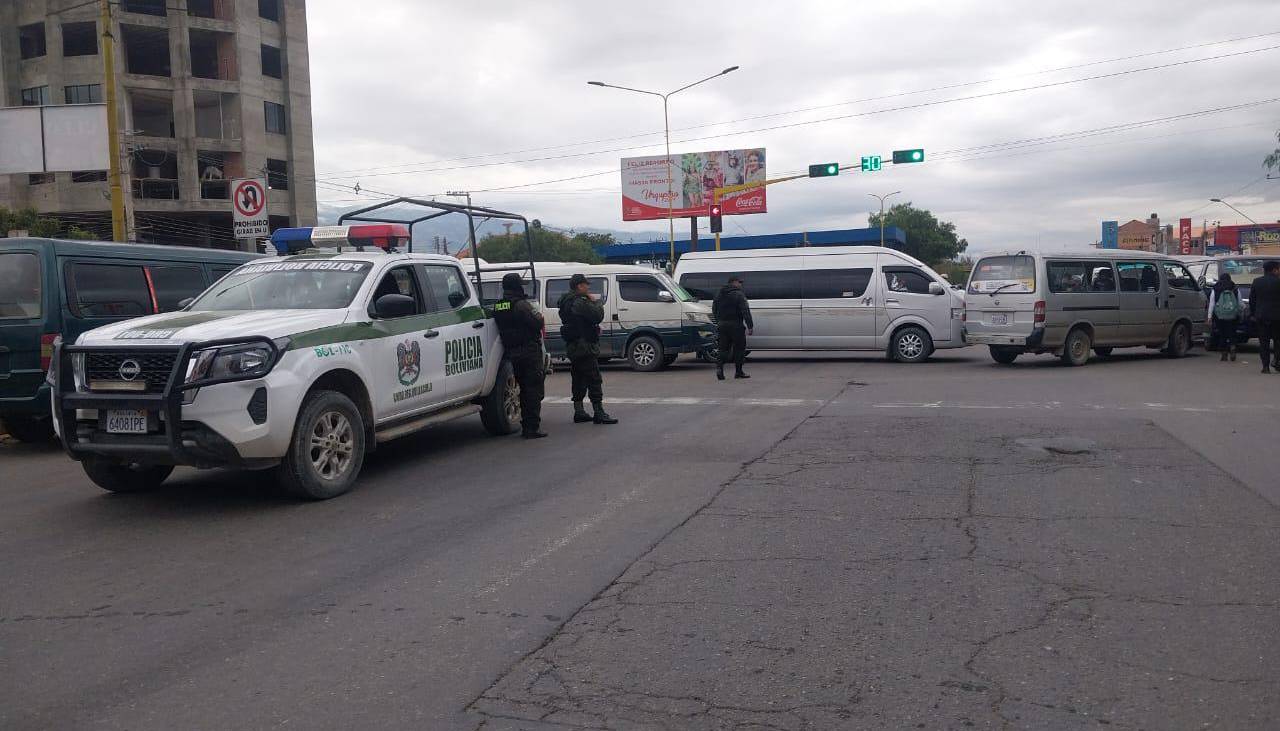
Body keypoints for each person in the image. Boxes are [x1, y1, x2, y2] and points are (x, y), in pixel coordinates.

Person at [558, 274, 618, 424]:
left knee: (578, 377)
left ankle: (579, 411)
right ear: (579, 286)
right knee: (594, 379)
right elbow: (597, 315)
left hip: (574, 345)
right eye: (586, 285)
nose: (588, 287)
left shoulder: (566, 301)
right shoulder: (580, 302)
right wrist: (596, 301)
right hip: (584, 345)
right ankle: (599, 412)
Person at [492, 273, 547, 438]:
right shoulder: (521, 305)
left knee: (523, 389)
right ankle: (532, 428)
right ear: (517, 286)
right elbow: (538, 322)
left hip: (513, 352)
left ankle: (527, 425)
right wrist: (539, 316)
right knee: (533, 391)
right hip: (529, 352)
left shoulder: (499, 306)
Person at [712, 275, 753, 380]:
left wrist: (719, 322)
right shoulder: (739, 295)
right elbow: (745, 311)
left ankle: (719, 369)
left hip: (722, 325)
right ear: (733, 282)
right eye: (739, 282)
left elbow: (714, 310)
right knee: (739, 349)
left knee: (723, 349)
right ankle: (738, 372)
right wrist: (750, 326)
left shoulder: (719, 294)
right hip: (736, 325)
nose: (741, 285)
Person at [1249, 260, 1280, 374]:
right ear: (1275, 270)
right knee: (1278, 341)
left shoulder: (1257, 282)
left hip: (1261, 316)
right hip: (1277, 318)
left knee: (1264, 343)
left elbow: (1252, 300)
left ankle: (1265, 367)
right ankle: (1277, 360)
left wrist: (1253, 314)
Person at [1208, 272, 1241, 362]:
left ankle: (1224, 354)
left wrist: (1209, 316)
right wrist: (1239, 313)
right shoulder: (1234, 288)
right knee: (1232, 333)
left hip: (1219, 315)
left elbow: (1212, 303)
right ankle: (1233, 347)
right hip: (1233, 315)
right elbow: (1239, 303)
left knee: (1222, 334)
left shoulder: (1216, 288)